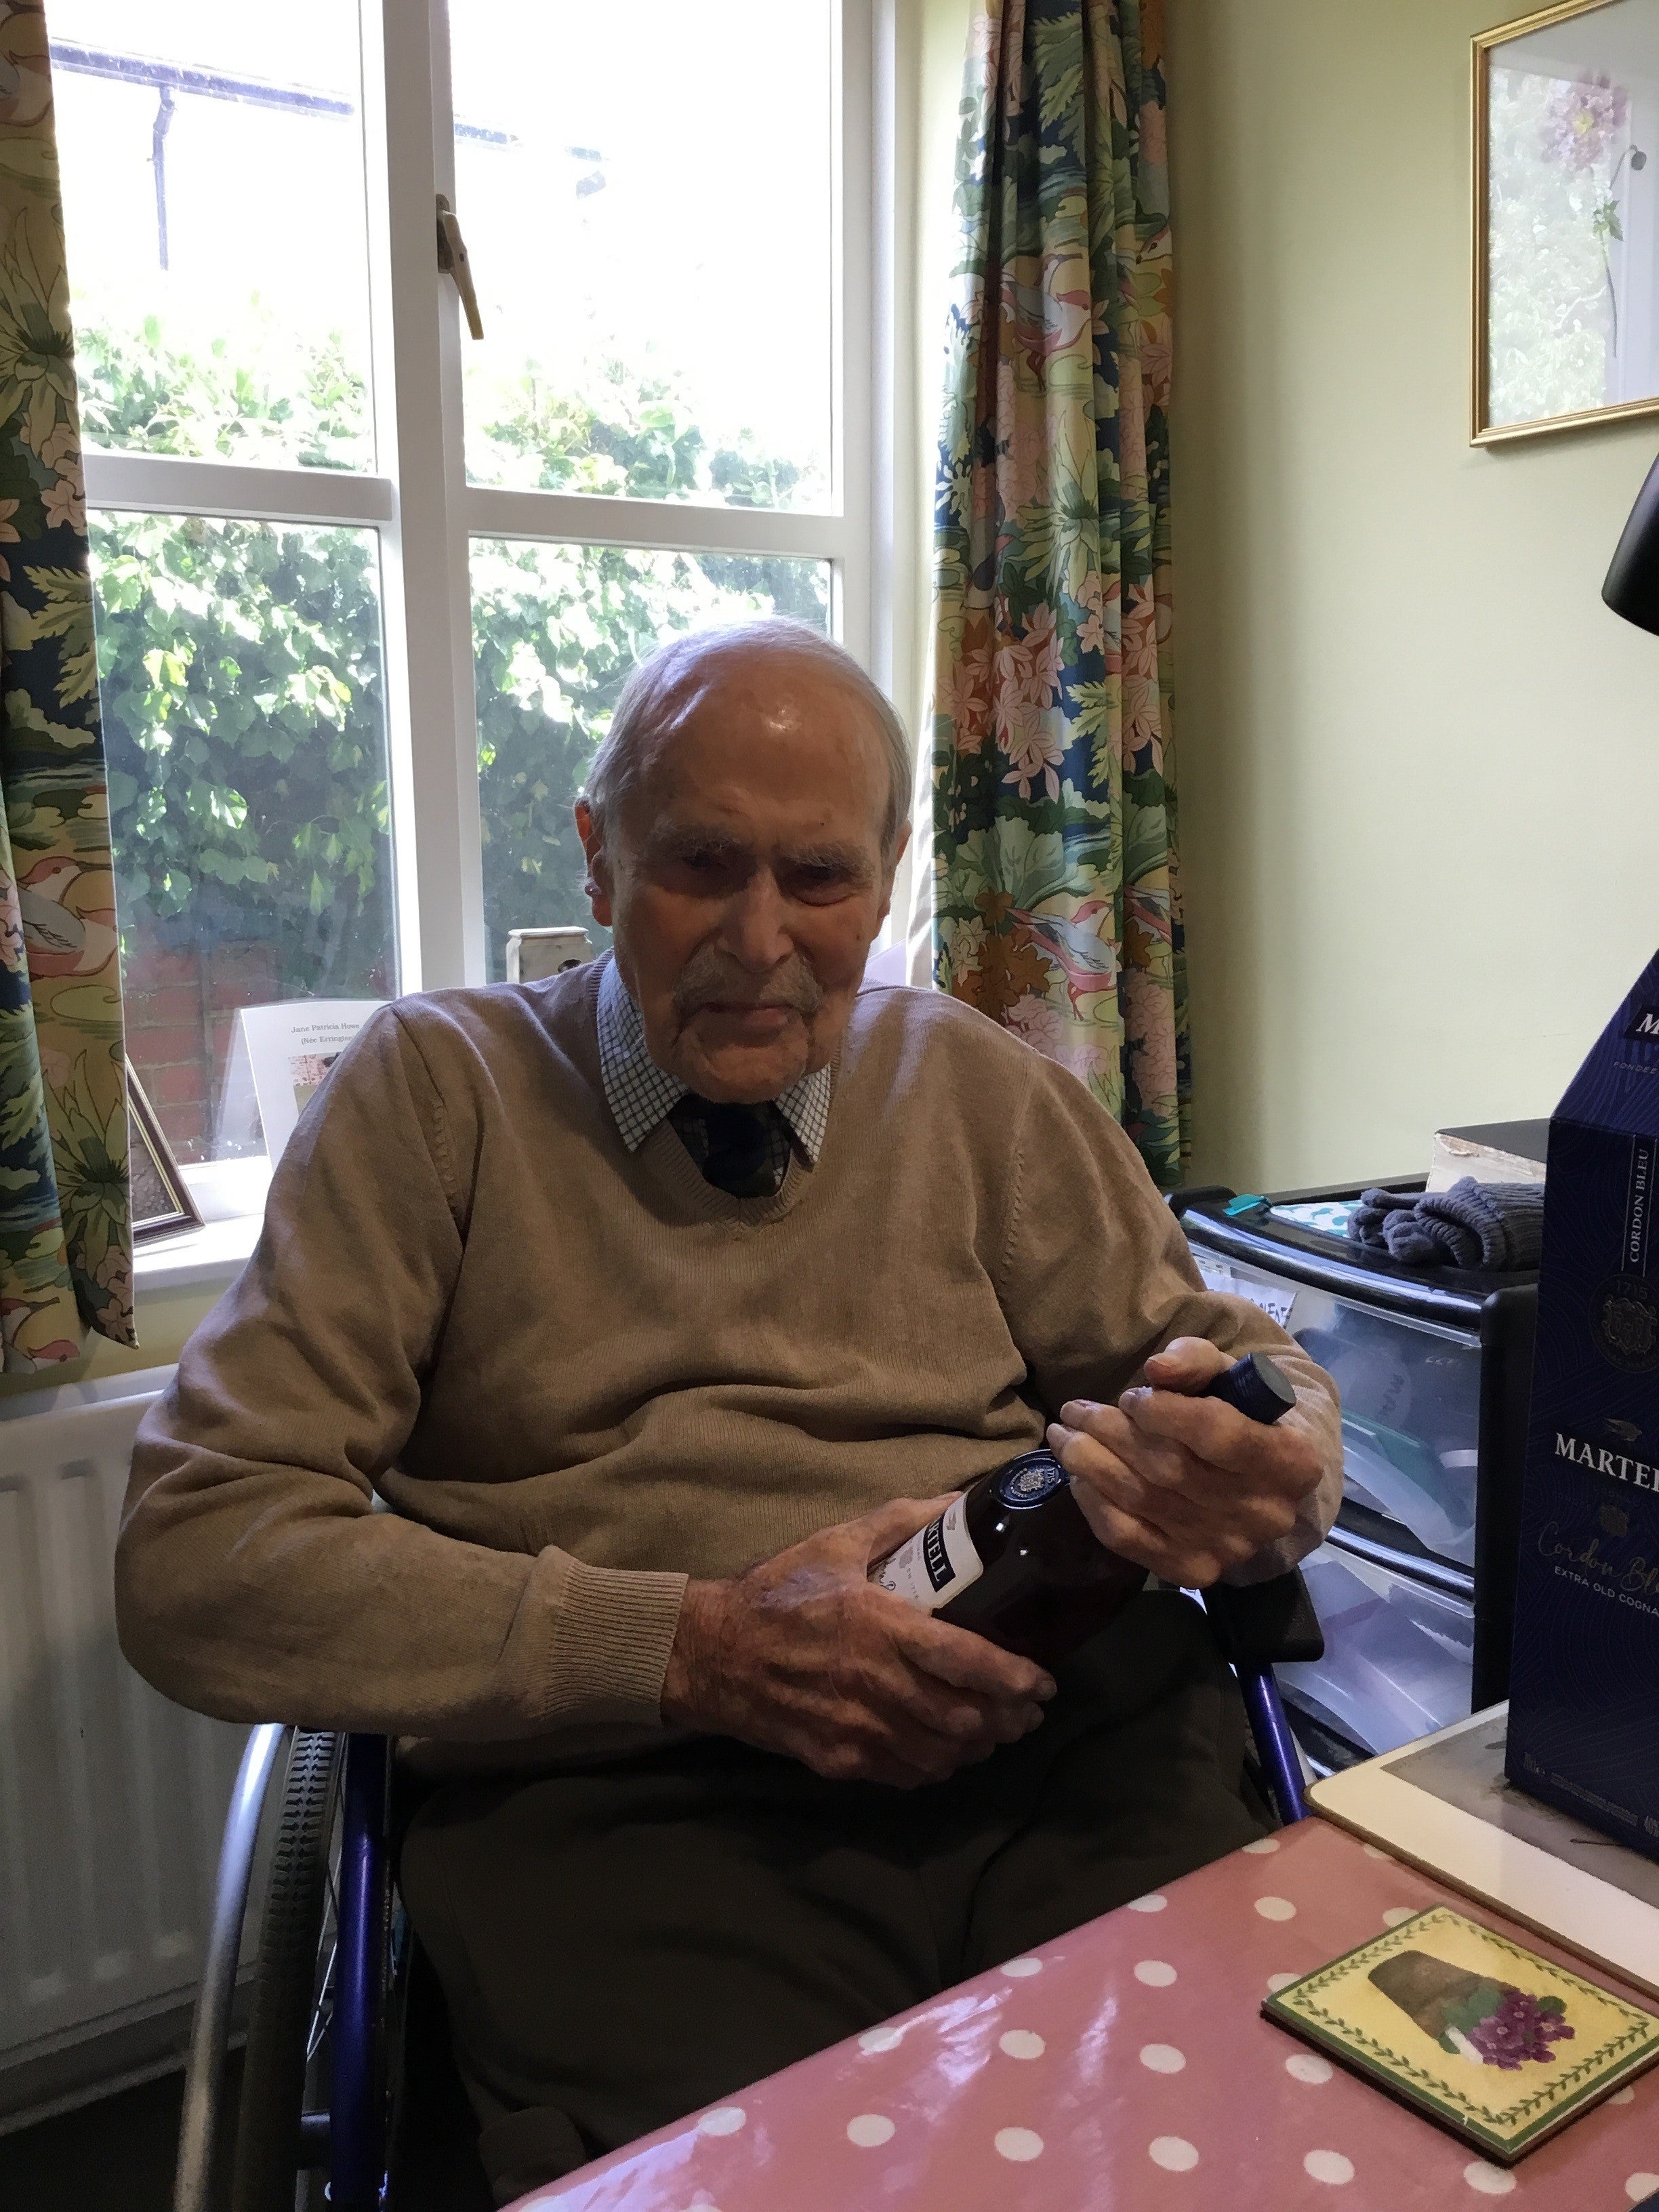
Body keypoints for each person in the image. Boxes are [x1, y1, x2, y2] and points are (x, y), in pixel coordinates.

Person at [116, 619, 1341, 2204]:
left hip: (1057, 1743)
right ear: (599, 856)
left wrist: (1272, 1468)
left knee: (1245, 2142)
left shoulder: (979, 1088)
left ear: (887, 880)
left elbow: (1240, 1367)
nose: (761, 941)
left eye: (819, 877)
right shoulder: (439, 1096)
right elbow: (195, 1557)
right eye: (700, 863)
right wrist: (697, 1649)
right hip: (636, 1812)